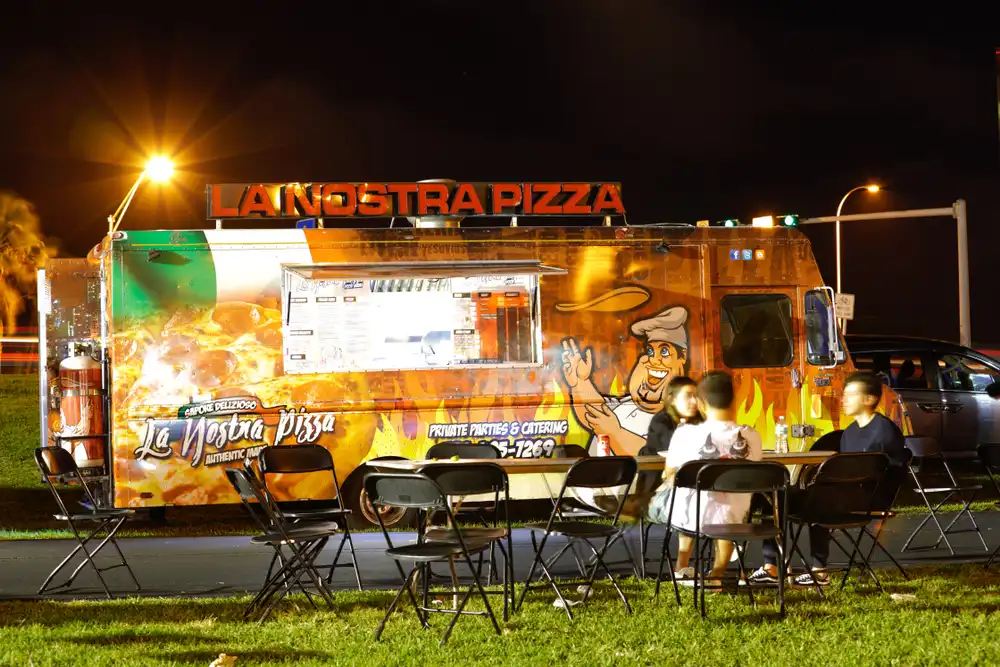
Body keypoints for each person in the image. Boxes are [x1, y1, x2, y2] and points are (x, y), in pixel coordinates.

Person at [753, 370, 907, 586]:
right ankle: (771, 566)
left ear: (869, 399)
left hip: (867, 498)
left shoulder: (884, 431)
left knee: (819, 497)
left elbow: (893, 472)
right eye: (845, 394)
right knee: (774, 497)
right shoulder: (850, 431)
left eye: (851, 394)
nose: (844, 399)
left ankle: (819, 570)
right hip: (841, 494)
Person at [648, 371, 763, 584]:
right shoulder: (752, 436)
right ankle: (717, 574)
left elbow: (671, 474)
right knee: (726, 505)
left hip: (689, 517)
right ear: (735, 402)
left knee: (687, 494)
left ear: (701, 403)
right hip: (735, 519)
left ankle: (682, 566)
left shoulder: (684, 435)